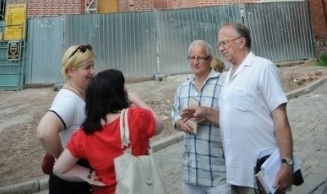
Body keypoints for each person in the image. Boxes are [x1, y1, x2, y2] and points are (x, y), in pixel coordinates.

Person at [181, 23, 295, 194]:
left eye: (224, 43)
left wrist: (287, 163)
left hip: (261, 171)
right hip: (235, 174)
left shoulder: (262, 67)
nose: (220, 48)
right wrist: (205, 112)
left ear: (241, 42)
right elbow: (228, 118)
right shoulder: (228, 77)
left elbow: (280, 118)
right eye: (219, 44)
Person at [53, 68, 164, 193]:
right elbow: (159, 125)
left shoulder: (84, 135)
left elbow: (58, 169)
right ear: (119, 93)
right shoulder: (137, 117)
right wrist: (136, 99)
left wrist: (89, 175)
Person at [37, 44, 96, 194]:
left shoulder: (81, 93)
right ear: (70, 70)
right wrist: (63, 159)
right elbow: (45, 131)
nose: (92, 72)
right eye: (87, 68)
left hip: (80, 180)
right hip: (70, 186)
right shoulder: (68, 100)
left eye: (93, 66)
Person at [171, 40, 228, 194]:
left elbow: (235, 118)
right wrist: (179, 123)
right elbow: (174, 114)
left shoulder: (225, 84)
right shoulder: (183, 87)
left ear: (209, 59)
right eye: (192, 58)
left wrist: (208, 114)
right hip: (191, 176)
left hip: (219, 175)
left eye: (200, 58)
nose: (195, 62)